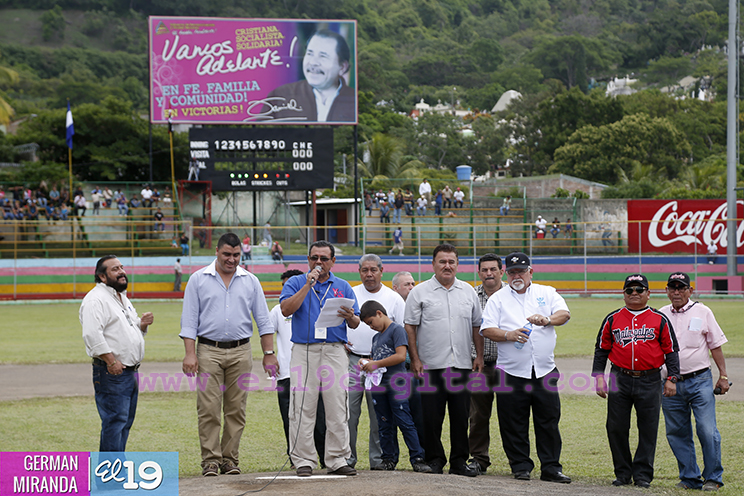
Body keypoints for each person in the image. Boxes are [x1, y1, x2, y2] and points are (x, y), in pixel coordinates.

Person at [180, 233, 278, 476]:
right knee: (208, 408)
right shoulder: (198, 279)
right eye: (226, 254)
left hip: (241, 351)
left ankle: (230, 459)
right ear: (216, 251)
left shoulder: (250, 281)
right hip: (208, 351)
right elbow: (189, 320)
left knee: (236, 409)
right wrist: (190, 354)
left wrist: (269, 353)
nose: (231, 259)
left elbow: (263, 320)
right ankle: (210, 461)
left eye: (236, 255)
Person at [480, 252, 572, 484]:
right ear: (505, 274)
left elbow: (564, 314)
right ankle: (520, 466)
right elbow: (487, 329)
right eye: (512, 272)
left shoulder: (546, 292)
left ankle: (551, 467)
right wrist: (508, 335)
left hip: (544, 370)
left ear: (531, 272)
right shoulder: (498, 299)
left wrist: (547, 320)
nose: (516, 276)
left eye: (521, 271)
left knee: (548, 420)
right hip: (510, 371)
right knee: (513, 422)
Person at [280, 240, 360, 477]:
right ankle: (303, 460)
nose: (319, 262)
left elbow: (355, 323)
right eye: (314, 258)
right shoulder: (296, 282)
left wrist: (350, 316)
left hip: (334, 349)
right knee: (302, 405)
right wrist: (308, 285)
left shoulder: (343, 286)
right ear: (308, 260)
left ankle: (337, 459)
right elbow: (286, 309)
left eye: (324, 258)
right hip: (304, 350)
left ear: (333, 261)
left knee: (337, 405)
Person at [592, 273, 680, 488]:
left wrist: (672, 378)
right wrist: (598, 377)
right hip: (619, 377)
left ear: (648, 294)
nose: (634, 293)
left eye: (639, 289)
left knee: (648, 428)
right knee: (616, 427)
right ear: (623, 294)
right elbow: (601, 349)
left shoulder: (659, 319)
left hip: (650, 379)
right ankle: (622, 473)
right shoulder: (612, 318)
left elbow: (671, 351)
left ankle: (642, 474)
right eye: (629, 290)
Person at [405, 243, 484, 477]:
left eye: (451, 262)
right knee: (431, 417)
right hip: (430, 366)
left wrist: (479, 356)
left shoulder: (468, 291)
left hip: (461, 365)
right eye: (442, 261)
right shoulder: (419, 292)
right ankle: (435, 460)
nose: (447, 266)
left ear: (457, 264)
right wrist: (415, 359)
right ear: (433, 264)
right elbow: (410, 327)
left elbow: (476, 326)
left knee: (461, 416)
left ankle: (459, 462)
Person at [660, 272, 729, 491]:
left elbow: (715, 345)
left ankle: (713, 478)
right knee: (677, 432)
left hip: (700, 380)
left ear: (690, 290)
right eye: (673, 287)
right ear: (666, 290)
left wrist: (723, 376)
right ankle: (690, 478)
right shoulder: (661, 315)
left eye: (681, 287)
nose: (677, 292)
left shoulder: (703, 311)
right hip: (669, 384)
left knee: (707, 430)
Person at [80, 255, 154, 452]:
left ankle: (116, 467)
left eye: (121, 267)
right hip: (112, 372)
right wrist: (111, 362)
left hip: (129, 371)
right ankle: (110, 471)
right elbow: (92, 334)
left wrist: (142, 324)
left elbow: (126, 328)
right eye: (115, 269)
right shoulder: (95, 299)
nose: (122, 272)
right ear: (102, 276)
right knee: (115, 422)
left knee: (124, 422)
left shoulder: (120, 297)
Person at [347, 254, 406, 470]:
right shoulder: (351, 293)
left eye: (373, 270)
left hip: (382, 366)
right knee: (348, 412)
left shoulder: (394, 298)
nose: (369, 274)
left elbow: (403, 331)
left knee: (380, 415)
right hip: (353, 360)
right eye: (365, 270)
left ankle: (380, 459)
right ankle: (346, 458)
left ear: (382, 271)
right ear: (359, 272)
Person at [359, 300, 432, 473]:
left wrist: (376, 364)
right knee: (384, 423)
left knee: (404, 420)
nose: (371, 327)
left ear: (379, 313)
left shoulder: (397, 330)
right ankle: (388, 458)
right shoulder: (376, 338)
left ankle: (417, 457)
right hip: (379, 385)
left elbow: (400, 356)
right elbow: (377, 359)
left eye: (371, 322)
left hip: (396, 383)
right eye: (368, 325)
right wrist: (367, 363)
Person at [271, 269, 327, 467]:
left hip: (314, 372)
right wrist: (269, 354)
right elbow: (267, 332)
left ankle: (324, 458)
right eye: (285, 286)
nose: (288, 289)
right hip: (286, 374)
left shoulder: (315, 305)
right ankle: (296, 458)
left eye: (292, 285)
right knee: (291, 418)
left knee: (319, 419)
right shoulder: (278, 311)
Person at [467, 253, 507, 474]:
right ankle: (479, 459)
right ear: (479, 272)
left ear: (502, 271)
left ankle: (518, 461)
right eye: (484, 270)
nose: (489, 273)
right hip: (479, 365)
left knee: (511, 414)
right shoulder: (471, 296)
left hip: (508, 365)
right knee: (478, 415)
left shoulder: (512, 295)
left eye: (493, 269)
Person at [262, 30, 354, 123]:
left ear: (342, 67)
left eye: (323, 56)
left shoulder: (355, 101)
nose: (313, 62)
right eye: (310, 54)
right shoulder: (280, 96)